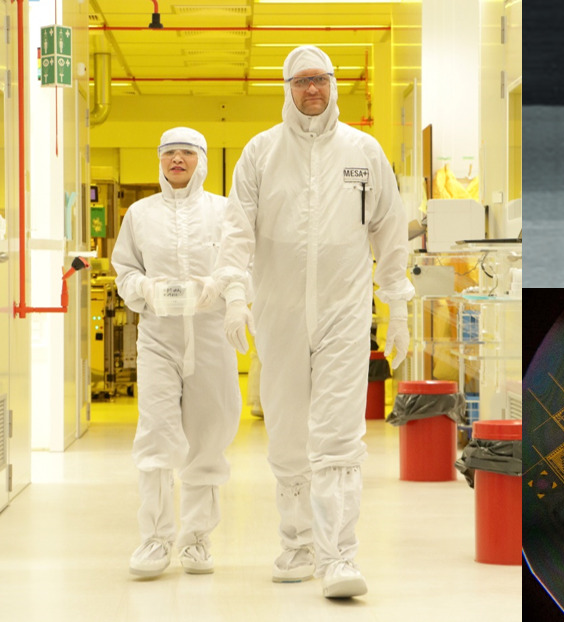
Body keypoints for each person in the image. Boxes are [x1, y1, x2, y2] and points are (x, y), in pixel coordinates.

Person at [210, 45, 414, 599]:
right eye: (301, 81)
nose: (312, 90)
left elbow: (390, 231)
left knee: (339, 432)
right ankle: (297, 543)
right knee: (286, 428)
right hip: (277, 312)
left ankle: (338, 555)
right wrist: (233, 294)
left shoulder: (364, 152)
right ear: (287, 88)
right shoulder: (260, 153)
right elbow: (236, 232)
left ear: (333, 85)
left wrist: (397, 302)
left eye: (320, 79)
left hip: (345, 312)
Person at [112, 127, 242, 578]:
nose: (177, 160)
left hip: (211, 336)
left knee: (209, 437)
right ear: (159, 160)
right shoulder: (140, 214)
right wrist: (144, 288)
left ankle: (197, 541)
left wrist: (215, 289)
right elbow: (124, 269)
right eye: (169, 153)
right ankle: (154, 540)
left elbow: (241, 264)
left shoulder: (225, 211)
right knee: (156, 436)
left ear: (201, 160)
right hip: (159, 337)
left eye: (187, 152)